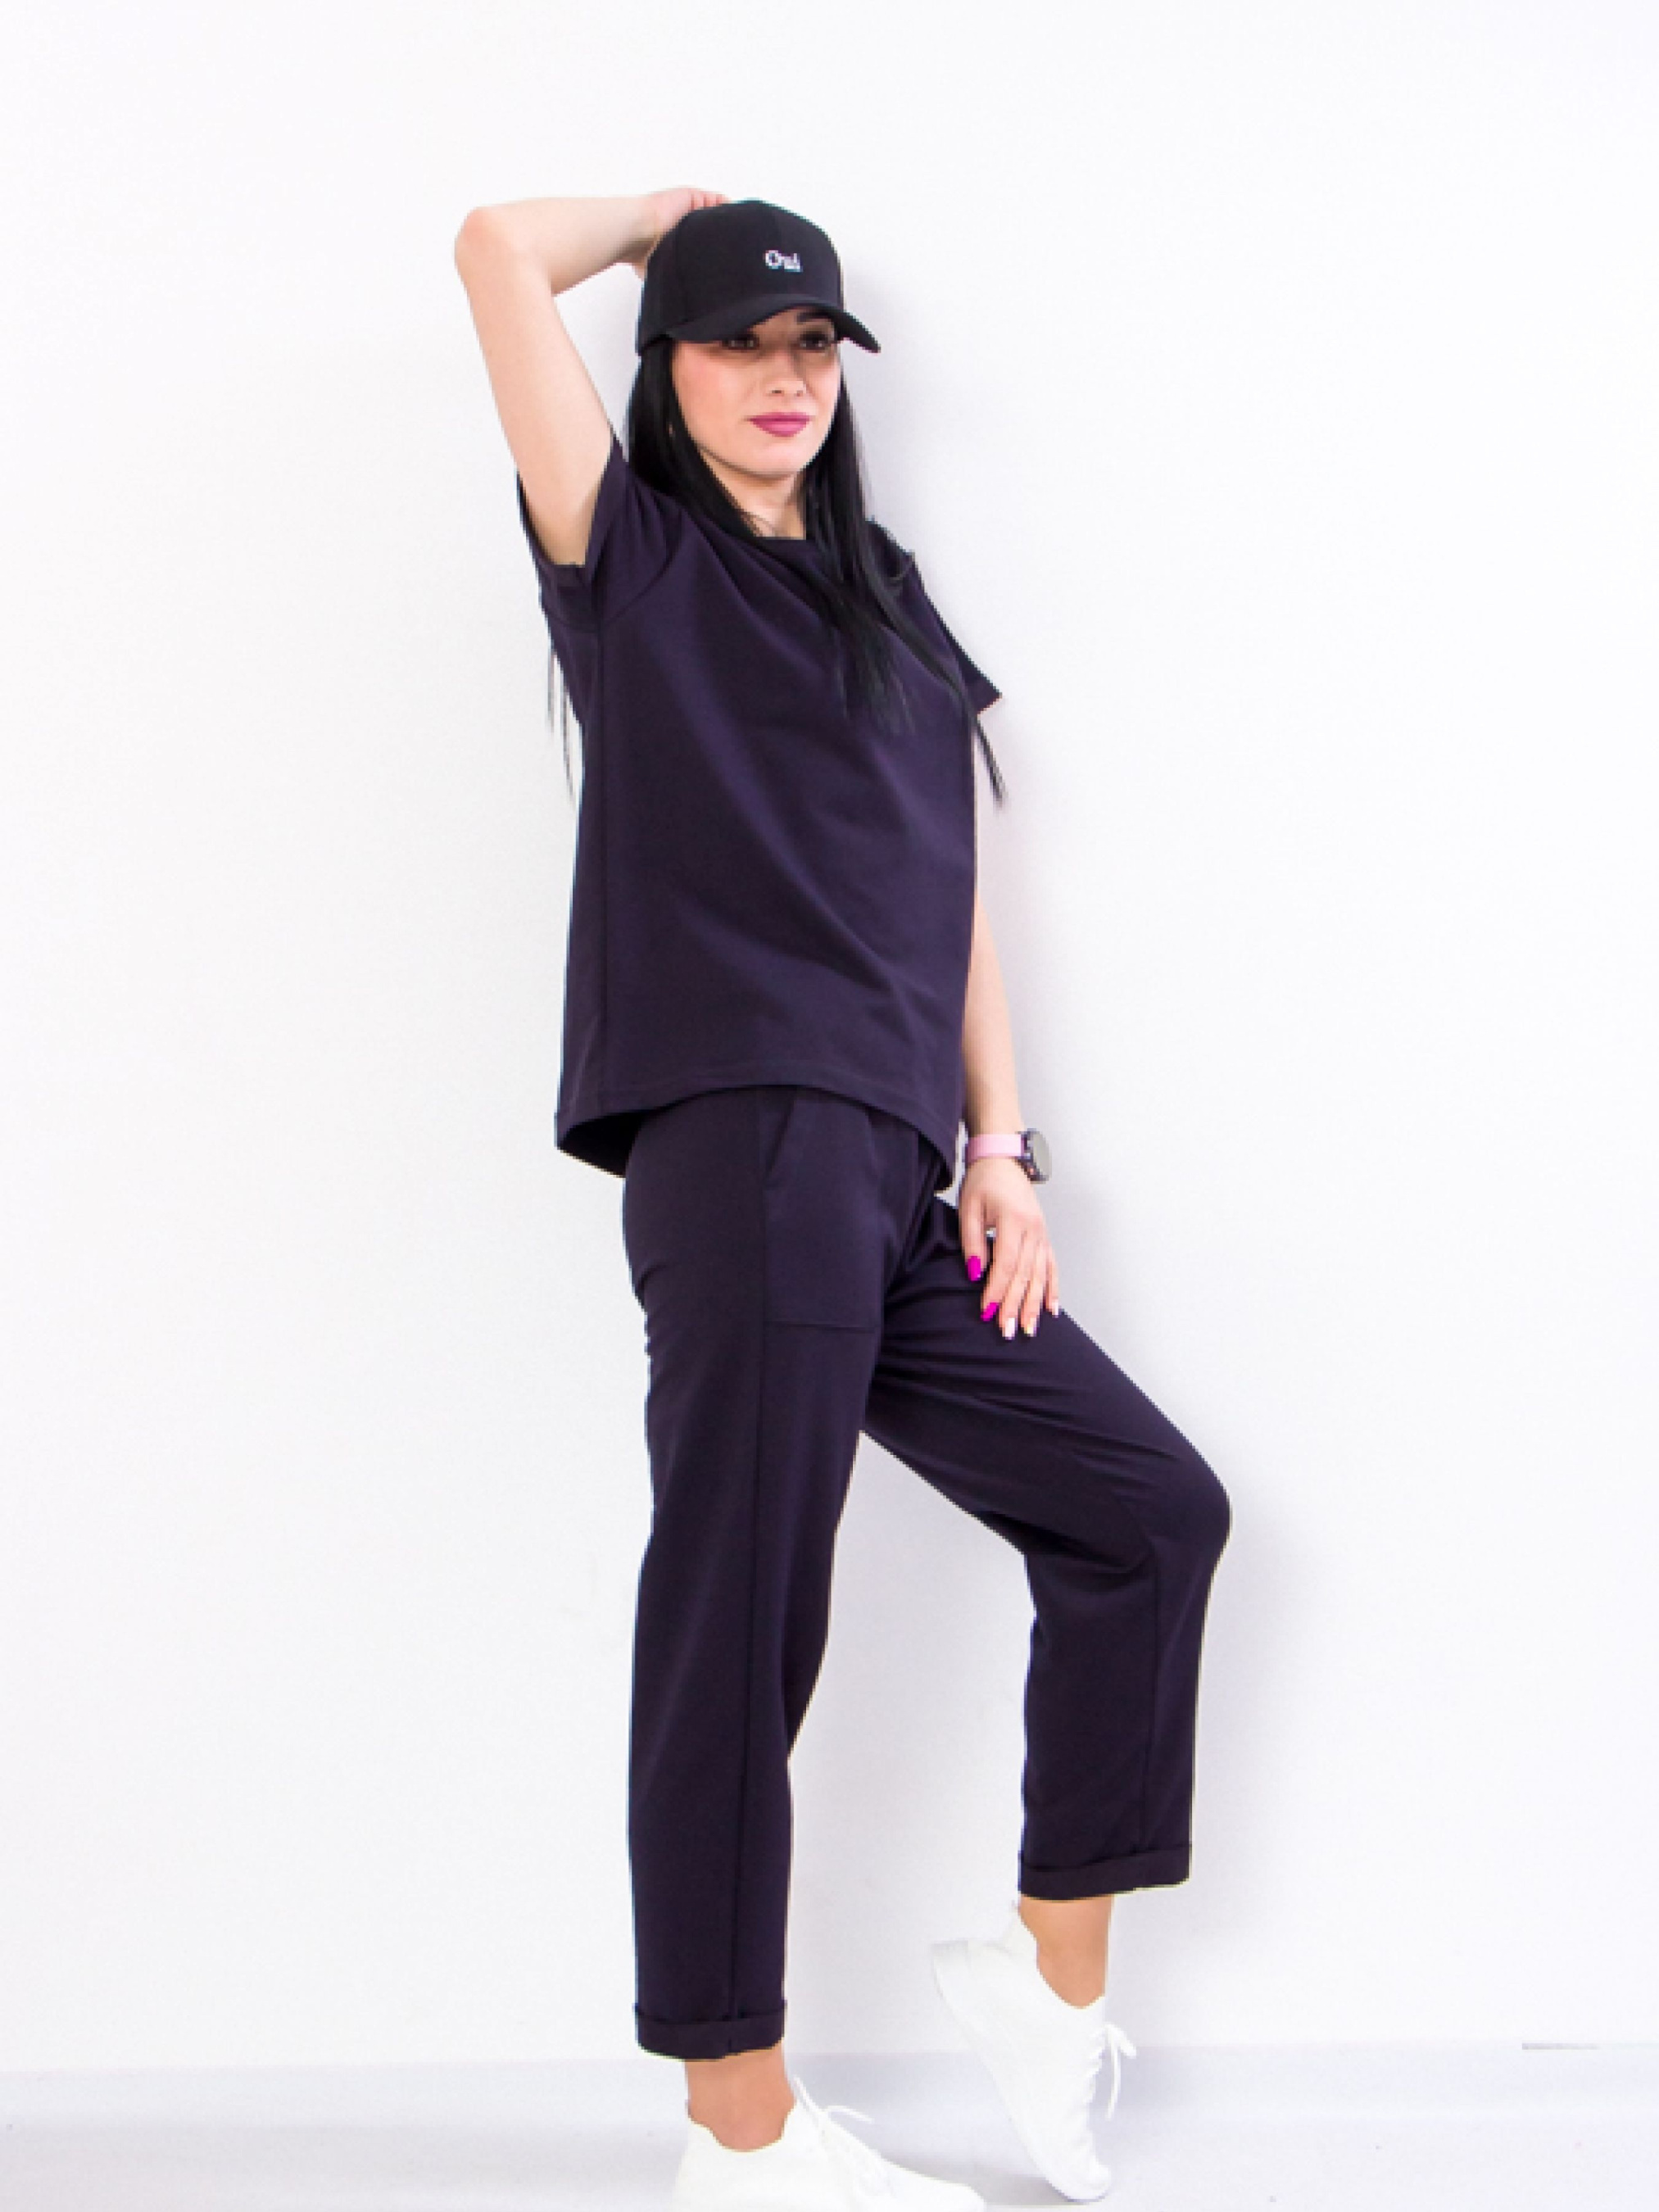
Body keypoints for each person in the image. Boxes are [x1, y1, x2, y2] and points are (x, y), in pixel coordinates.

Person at [454, 188, 1232, 2210]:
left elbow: (944, 880)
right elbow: (490, 248)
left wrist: (1000, 1147)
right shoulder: (630, 559)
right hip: (745, 1140)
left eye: (809, 346)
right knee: (741, 1623)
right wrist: (665, 224)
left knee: (1147, 1514)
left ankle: (1047, 1983)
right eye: (737, 342)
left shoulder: (881, 590)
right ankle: (736, 2129)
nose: (781, 377)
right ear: (668, 369)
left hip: (892, 1173)